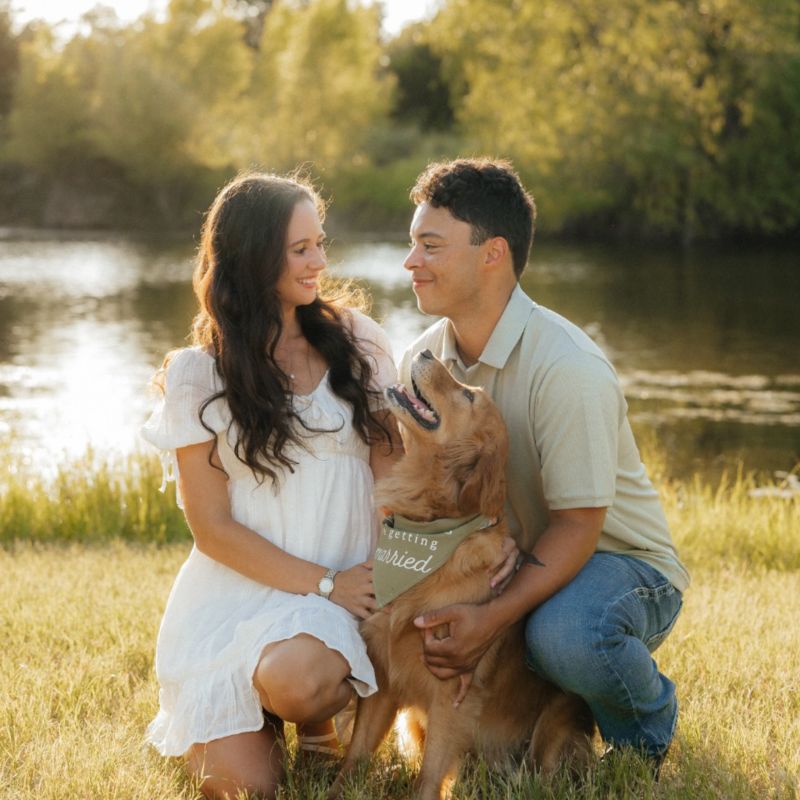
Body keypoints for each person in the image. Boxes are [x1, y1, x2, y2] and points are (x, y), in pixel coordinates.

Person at [400, 158, 689, 774]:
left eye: (430, 245)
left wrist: (488, 620)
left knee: (564, 635)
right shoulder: (423, 360)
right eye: (412, 244)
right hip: (511, 560)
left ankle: (645, 733)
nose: (410, 262)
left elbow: (579, 527)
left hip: (619, 564)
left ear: (492, 253)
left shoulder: (568, 367)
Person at [140, 172, 400, 799]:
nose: (320, 262)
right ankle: (256, 717)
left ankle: (314, 721)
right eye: (300, 249)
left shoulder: (359, 342)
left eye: (320, 244)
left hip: (346, 591)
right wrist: (325, 582)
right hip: (240, 597)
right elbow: (211, 528)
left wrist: (382, 574)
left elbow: (391, 470)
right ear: (255, 257)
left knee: (298, 681)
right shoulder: (199, 374)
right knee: (244, 788)